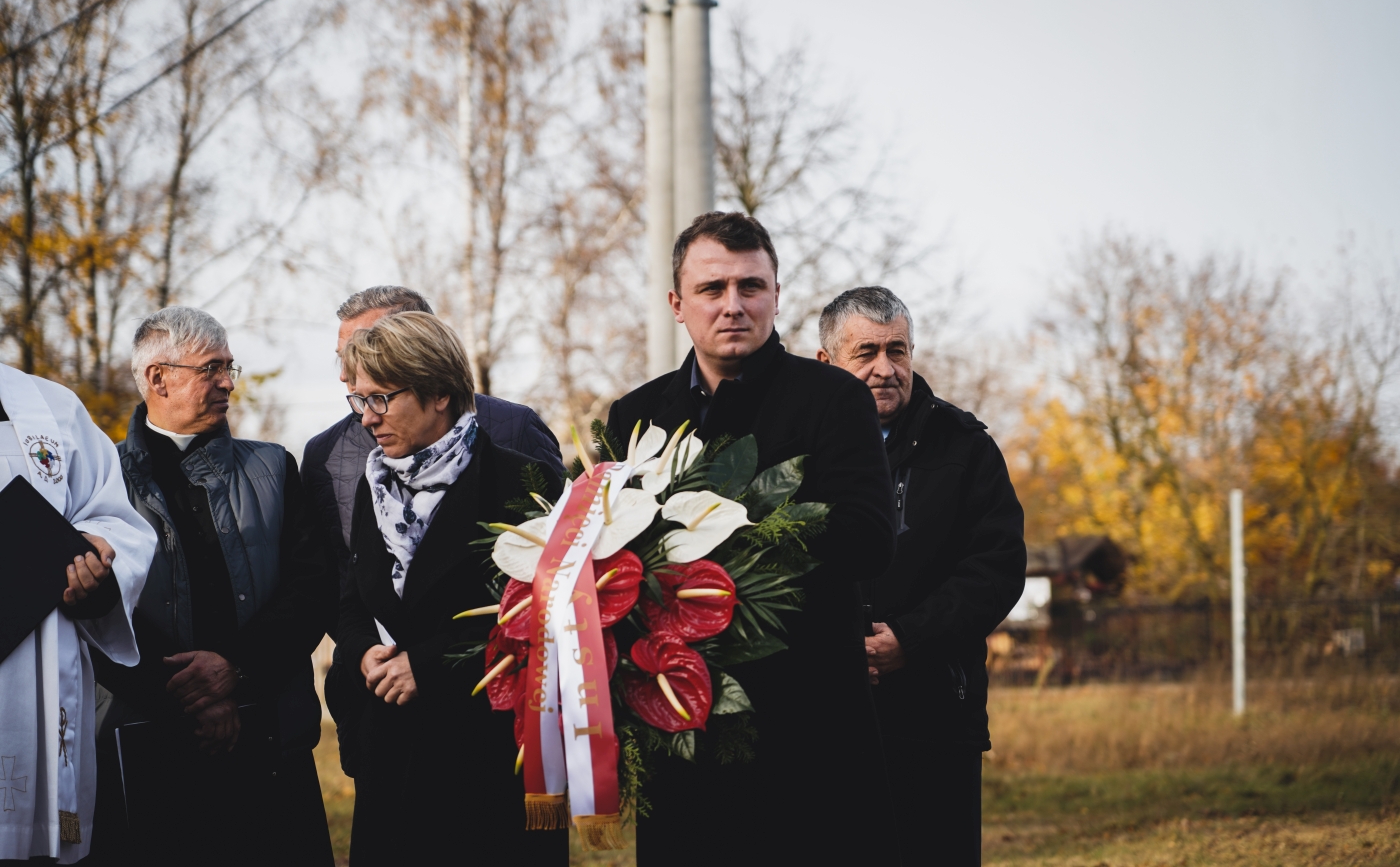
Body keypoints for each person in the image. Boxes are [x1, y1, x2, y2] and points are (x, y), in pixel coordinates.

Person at [606, 211, 898, 865]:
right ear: (678, 304)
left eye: (751, 286)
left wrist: (723, 544)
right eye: (712, 289)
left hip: (809, 724)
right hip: (680, 718)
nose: (733, 305)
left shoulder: (833, 400)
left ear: (776, 295)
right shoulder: (636, 415)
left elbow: (869, 537)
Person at [88, 307, 334, 866]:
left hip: (269, 740)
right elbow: (97, 609)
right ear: (158, 379)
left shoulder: (273, 468)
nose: (227, 381)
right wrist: (190, 697)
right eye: (211, 369)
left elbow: (310, 588)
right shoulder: (99, 478)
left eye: (230, 367)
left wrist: (235, 670)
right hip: (148, 742)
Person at [334, 311, 566, 865]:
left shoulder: (521, 483)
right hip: (392, 748)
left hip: (483, 754)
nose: (367, 418)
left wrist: (431, 665)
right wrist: (363, 647)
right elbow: (355, 594)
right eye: (358, 400)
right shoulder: (377, 484)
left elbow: (547, 615)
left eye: (381, 399)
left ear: (439, 392)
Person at [817, 286, 1027, 866]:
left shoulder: (967, 448)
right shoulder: (797, 451)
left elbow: (997, 569)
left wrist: (909, 640)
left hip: (936, 715)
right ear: (826, 362)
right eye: (866, 353)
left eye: (898, 350)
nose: (885, 369)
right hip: (821, 721)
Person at [0, 364, 156, 864]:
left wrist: (96, 553)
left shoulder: (51, 407)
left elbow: (113, 514)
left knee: (41, 841)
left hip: (36, 656)